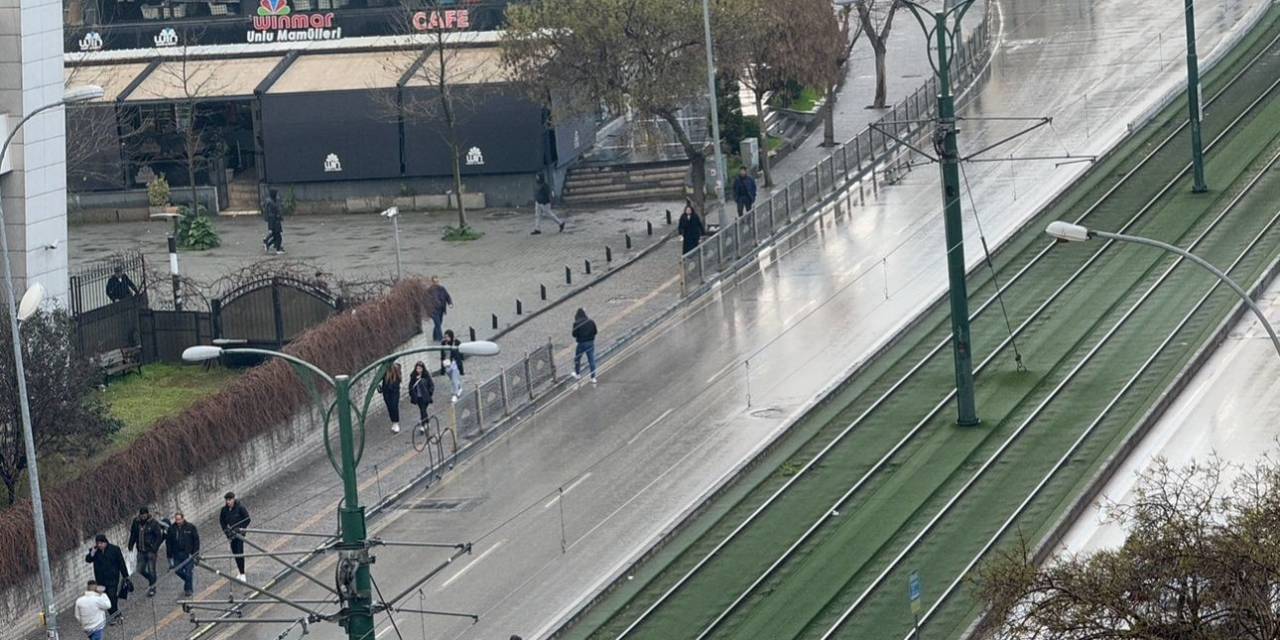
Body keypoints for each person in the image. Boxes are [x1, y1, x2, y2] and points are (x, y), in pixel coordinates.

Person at [84, 534, 128, 622]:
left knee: (112, 596)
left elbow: (121, 563)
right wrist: (92, 553)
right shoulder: (95, 551)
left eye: (101, 543)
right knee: (106, 598)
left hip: (113, 578)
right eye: (98, 543)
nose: (100, 545)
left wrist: (125, 575)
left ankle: (115, 614)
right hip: (101, 579)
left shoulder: (114, 549)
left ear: (105, 542)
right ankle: (115, 614)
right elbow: (88, 559)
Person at [126, 507, 164, 597]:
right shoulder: (136, 522)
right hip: (141, 550)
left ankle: (152, 587)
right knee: (140, 569)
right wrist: (130, 545)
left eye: (145, 515)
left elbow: (159, 536)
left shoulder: (153, 523)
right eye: (142, 515)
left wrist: (154, 548)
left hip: (151, 550)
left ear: (147, 514)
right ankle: (152, 580)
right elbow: (133, 534)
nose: (143, 517)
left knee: (151, 569)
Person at [164, 511, 200, 597]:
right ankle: (188, 581)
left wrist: (195, 553)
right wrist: (169, 555)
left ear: (183, 518)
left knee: (188, 572)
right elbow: (168, 543)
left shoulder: (190, 527)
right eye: (176, 519)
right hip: (177, 554)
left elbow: (196, 540)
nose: (178, 521)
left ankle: (189, 589)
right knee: (177, 570)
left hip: (188, 554)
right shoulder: (172, 529)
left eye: (179, 519)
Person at [218, 492, 251, 583]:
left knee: (240, 552)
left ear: (233, 499)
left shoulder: (240, 508)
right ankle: (240, 572)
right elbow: (222, 522)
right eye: (227, 500)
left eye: (230, 500)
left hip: (240, 534)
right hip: (231, 535)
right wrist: (226, 532)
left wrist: (240, 528)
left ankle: (243, 573)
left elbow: (247, 519)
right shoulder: (224, 510)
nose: (228, 502)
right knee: (235, 553)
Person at [570, 308, 598, 384]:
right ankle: (593, 377)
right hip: (590, 342)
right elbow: (595, 331)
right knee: (591, 359)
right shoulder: (591, 321)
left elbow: (574, 334)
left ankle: (577, 374)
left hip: (581, 343)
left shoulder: (576, 323)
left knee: (577, 358)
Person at [408, 361, 435, 429]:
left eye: (420, 368)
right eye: (417, 368)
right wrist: (412, 394)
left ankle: (425, 424)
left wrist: (430, 393)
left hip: (426, 396)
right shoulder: (413, 376)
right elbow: (410, 386)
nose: (419, 370)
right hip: (418, 397)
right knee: (423, 410)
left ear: (423, 369)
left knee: (423, 410)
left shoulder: (426, 375)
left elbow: (431, 385)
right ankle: (425, 423)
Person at [379, 362, 403, 434]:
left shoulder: (396, 373)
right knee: (390, 407)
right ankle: (394, 422)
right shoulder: (385, 374)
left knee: (394, 407)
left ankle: (396, 423)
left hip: (394, 393)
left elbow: (397, 382)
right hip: (387, 394)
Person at [441, 330, 464, 402]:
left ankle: (455, 394)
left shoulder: (456, 342)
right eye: (445, 337)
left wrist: (459, 361)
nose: (446, 338)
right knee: (452, 379)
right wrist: (442, 365)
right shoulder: (443, 343)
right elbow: (442, 354)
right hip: (447, 364)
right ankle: (459, 387)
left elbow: (460, 353)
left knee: (454, 380)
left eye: (447, 337)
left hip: (454, 364)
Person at [429, 276, 453, 342]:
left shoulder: (442, 288)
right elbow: (426, 301)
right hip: (433, 311)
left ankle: (434, 336)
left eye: (437, 281)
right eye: (434, 282)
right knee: (438, 324)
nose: (436, 283)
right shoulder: (429, 290)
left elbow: (447, 296)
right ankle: (441, 338)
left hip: (441, 309)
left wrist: (450, 303)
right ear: (432, 282)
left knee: (439, 323)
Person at [262, 189, 284, 255]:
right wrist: (271, 228)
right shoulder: (271, 203)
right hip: (275, 223)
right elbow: (271, 215)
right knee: (278, 237)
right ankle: (278, 249)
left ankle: (268, 243)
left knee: (275, 236)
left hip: (276, 222)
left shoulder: (272, 202)